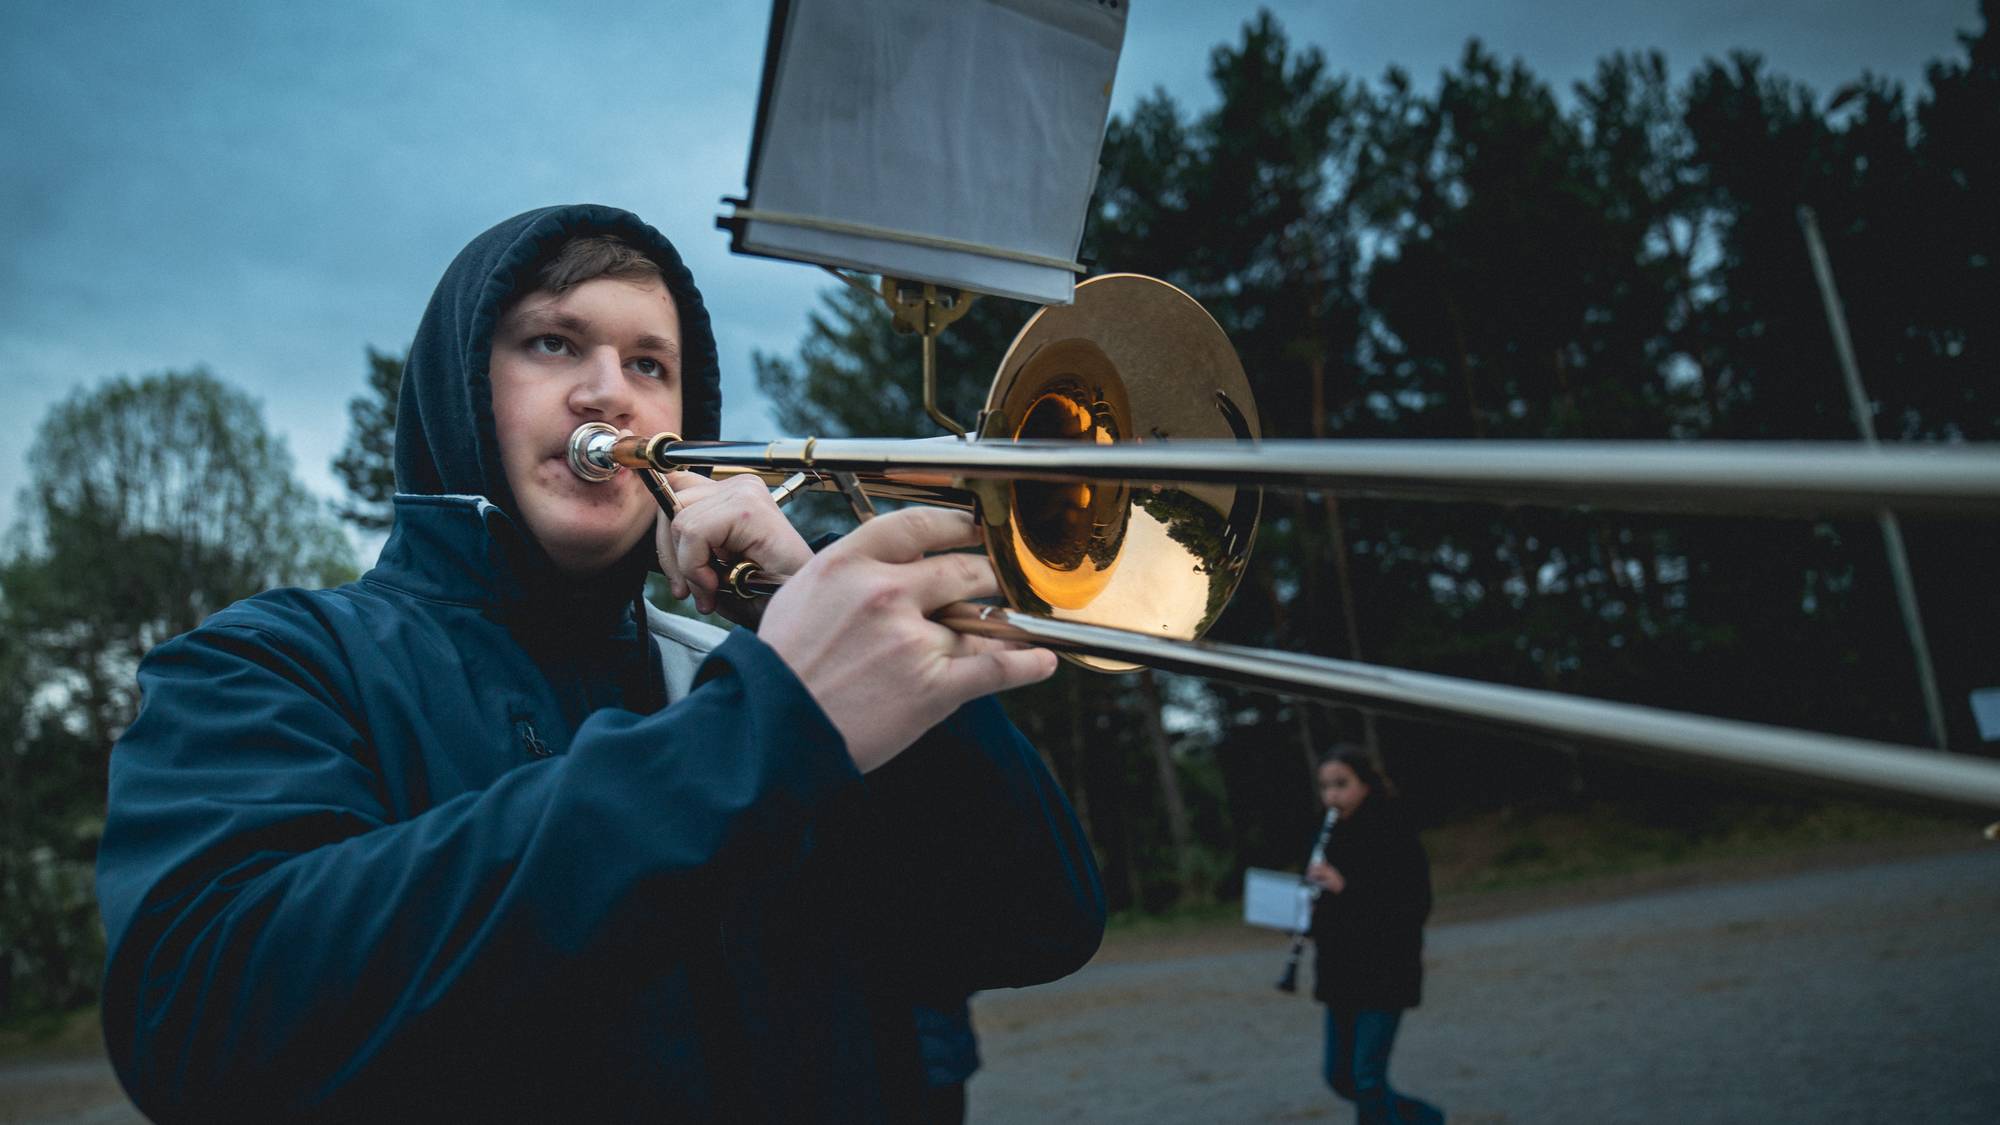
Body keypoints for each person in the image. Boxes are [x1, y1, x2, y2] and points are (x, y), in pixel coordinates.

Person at [94, 203, 1106, 1123]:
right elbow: (200, 1019)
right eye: (551, 342)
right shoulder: (272, 660)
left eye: (650, 365)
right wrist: (759, 729)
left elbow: (1034, 927)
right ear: (462, 385)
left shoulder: (748, 669)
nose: (607, 394)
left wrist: (807, 623)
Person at [1306, 745, 1443, 1125]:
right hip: (1341, 974)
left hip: (1384, 972)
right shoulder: (1328, 836)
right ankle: (1425, 1119)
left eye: (1341, 784)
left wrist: (1346, 887)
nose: (1331, 795)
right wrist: (1305, 912)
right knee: (1340, 1076)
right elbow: (1331, 915)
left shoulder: (1394, 831)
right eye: (1325, 786)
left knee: (1367, 1078)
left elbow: (1413, 904)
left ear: (1365, 785)